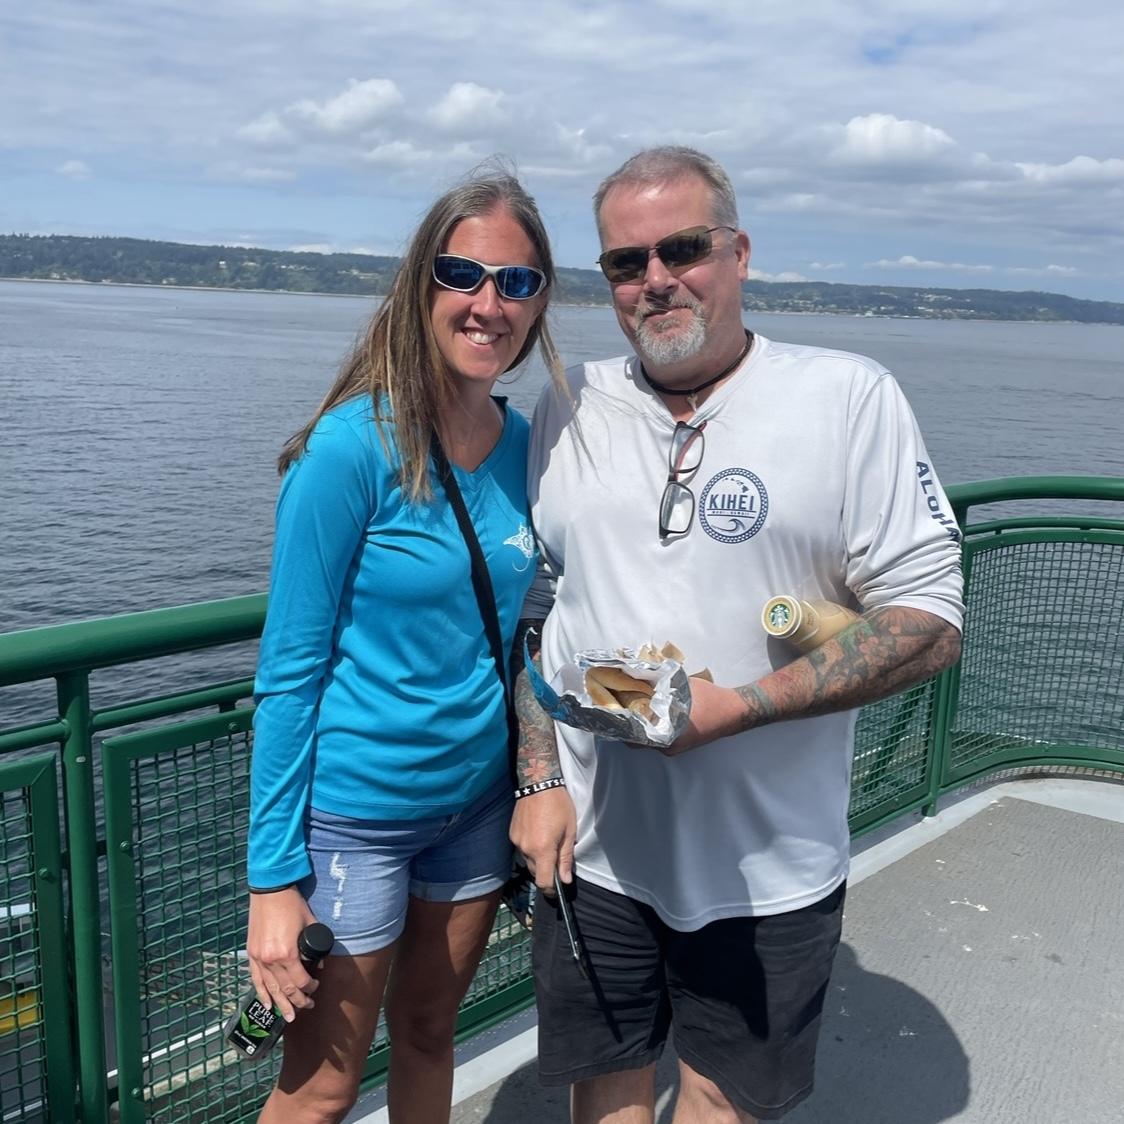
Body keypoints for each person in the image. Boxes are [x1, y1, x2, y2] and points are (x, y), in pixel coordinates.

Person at [511, 146, 964, 1124]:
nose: (655, 279)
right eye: (625, 262)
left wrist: (740, 706)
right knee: (608, 1091)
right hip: (594, 852)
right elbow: (536, 616)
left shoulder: (845, 398)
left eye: (683, 248)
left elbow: (928, 622)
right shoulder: (569, 403)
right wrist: (539, 777)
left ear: (739, 251)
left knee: (721, 1104)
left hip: (770, 864)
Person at [245, 166, 562, 1124]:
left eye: (515, 282)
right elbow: (289, 674)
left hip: (472, 806)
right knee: (323, 1089)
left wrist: (538, 780)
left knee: (429, 1040)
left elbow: (523, 632)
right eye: (462, 273)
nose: (487, 304)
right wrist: (271, 882)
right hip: (356, 818)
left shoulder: (526, 442)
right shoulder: (350, 450)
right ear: (421, 286)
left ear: (540, 301)